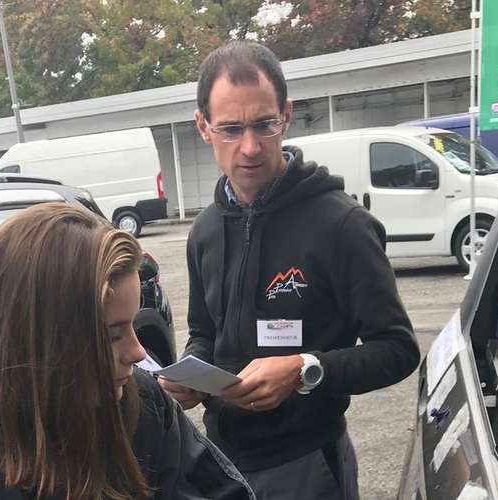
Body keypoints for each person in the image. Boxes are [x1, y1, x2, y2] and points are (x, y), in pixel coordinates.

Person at [158, 41, 421, 500]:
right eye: (230, 129)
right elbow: (204, 332)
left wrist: (306, 368)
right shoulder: (204, 230)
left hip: (306, 466)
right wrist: (190, 381)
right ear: (203, 127)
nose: (250, 147)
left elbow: (398, 350)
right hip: (220, 461)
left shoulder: (341, 225)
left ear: (287, 114)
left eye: (264, 124)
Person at [0, 203, 254, 500]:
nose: (136, 353)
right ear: (38, 336)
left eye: (132, 325)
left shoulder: (143, 404)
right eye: (110, 334)